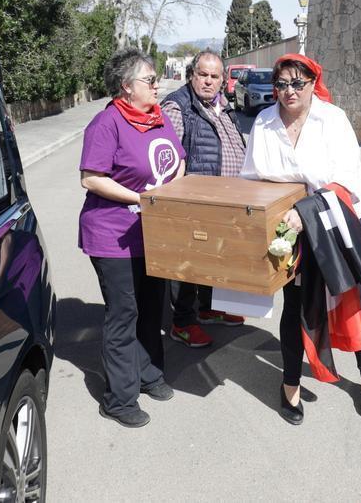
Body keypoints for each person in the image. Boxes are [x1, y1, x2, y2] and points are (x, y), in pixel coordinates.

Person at [242, 53, 361, 424]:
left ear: (311, 83)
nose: (289, 91)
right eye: (282, 84)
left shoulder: (332, 120)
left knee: (351, 301)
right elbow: (252, 179)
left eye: (297, 83)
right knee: (295, 306)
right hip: (288, 229)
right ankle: (290, 385)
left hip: (338, 225)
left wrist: (305, 212)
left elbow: (347, 180)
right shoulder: (264, 122)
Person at [79, 48, 186, 428]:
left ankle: (149, 374)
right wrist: (142, 198)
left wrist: (171, 192)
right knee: (124, 313)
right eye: (150, 80)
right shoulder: (106, 124)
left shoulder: (157, 119)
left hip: (153, 233)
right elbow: (91, 177)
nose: (157, 86)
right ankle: (119, 398)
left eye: (156, 80)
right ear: (127, 87)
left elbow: (178, 158)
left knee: (151, 306)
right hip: (113, 236)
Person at [159, 51, 247, 347]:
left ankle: (209, 308)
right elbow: (168, 158)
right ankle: (182, 322)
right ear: (191, 75)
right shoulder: (178, 106)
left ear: (223, 80)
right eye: (203, 75)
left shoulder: (223, 106)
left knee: (214, 257)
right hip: (193, 202)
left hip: (223, 201)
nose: (208, 81)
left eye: (214, 76)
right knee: (187, 263)